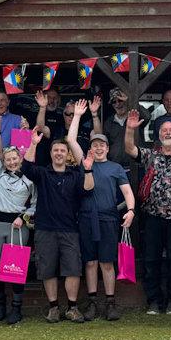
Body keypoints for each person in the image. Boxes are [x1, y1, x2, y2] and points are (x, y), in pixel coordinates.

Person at [69, 99, 135, 321]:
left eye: (102, 145)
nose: (98, 148)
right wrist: (77, 115)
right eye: (95, 145)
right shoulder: (84, 163)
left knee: (107, 262)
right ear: (91, 148)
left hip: (108, 218)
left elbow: (127, 193)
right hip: (86, 218)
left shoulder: (115, 168)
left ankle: (110, 302)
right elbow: (70, 139)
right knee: (90, 262)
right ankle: (92, 302)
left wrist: (132, 210)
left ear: (107, 148)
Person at [125, 110, 171, 315]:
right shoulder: (150, 155)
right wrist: (130, 128)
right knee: (151, 259)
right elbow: (129, 148)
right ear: (159, 135)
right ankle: (154, 300)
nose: (167, 133)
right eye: (164, 130)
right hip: (152, 216)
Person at [23, 128, 95, 323]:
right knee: (48, 269)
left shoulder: (74, 175)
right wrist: (33, 144)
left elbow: (88, 189)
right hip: (45, 229)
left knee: (73, 269)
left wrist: (87, 169)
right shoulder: (43, 173)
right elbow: (26, 167)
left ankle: (72, 308)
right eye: (56, 150)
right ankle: (54, 308)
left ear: (67, 154)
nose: (59, 153)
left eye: (63, 150)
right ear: (51, 153)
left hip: (69, 229)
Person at [0, 110, 37, 325]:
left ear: (21, 158)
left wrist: (24, 216)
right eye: (8, 159)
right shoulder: (0, 172)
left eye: (15, 158)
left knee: (15, 269)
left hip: (18, 226)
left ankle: (17, 308)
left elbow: (35, 204)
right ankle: (0, 306)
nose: (12, 162)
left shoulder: (29, 179)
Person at [93, 87, 148, 169]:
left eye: (120, 100)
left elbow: (147, 116)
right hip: (116, 167)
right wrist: (94, 114)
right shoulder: (109, 122)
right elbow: (100, 137)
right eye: (114, 102)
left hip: (137, 167)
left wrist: (130, 100)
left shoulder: (136, 117)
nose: (117, 104)